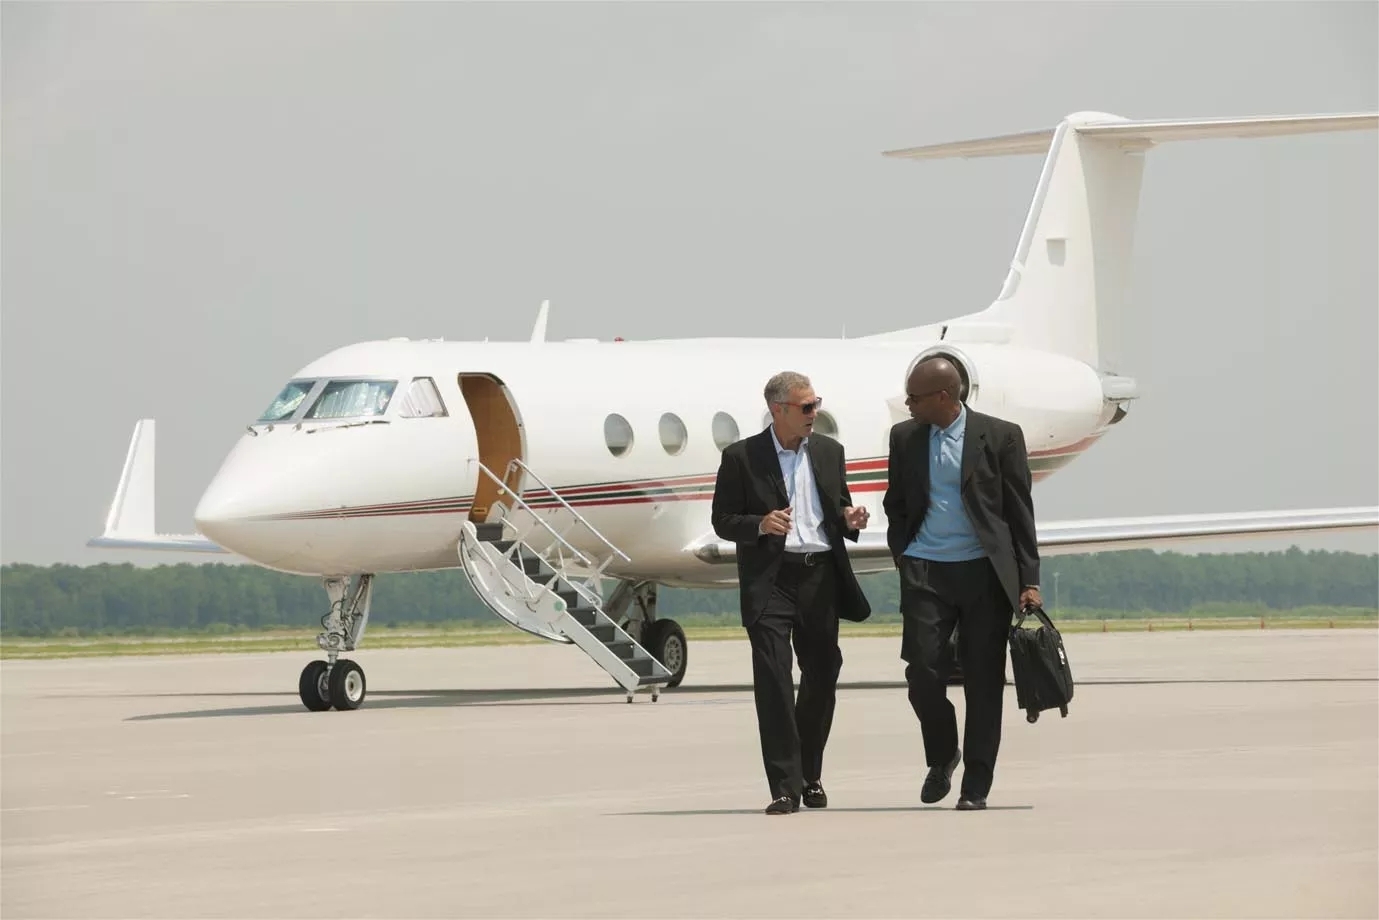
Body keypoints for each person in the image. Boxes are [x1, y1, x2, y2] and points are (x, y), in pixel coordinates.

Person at [882, 356, 1042, 810]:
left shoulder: (1002, 436)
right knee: (922, 674)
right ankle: (942, 753)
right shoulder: (905, 437)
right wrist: (903, 553)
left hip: (984, 574)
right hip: (926, 570)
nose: (908, 403)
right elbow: (897, 503)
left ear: (944, 397)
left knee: (983, 682)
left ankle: (976, 787)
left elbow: (1019, 513)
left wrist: (1028, 579)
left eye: (914, 396)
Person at [711, 371, 872, 815]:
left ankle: (810, 773)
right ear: (778, 409)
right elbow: (723, 520)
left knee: (822, 676)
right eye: (806, 407)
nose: (814, 413)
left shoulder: (828, 451)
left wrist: (850, 518)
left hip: (820, 576)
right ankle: (784, 786)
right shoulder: (741, 457)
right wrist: (759, 524)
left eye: (816, 403)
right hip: (771, 580)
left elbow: (836, 509)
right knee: (774, 681)